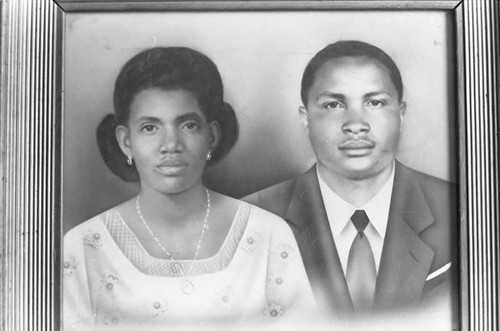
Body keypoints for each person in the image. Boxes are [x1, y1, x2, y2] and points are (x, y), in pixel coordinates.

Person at [63, 47, 315, 329]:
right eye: (150, 128)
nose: (171, 145)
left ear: (212, 136)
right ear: (125, 142)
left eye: (188, 125)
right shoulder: (84, 245)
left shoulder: (267, 234)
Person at [245, 40, 457, 319]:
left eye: (375, 102)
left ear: (401, 114)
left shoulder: (463, 212)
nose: (356, 124)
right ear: (306, 119)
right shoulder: (251, 219)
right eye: (334, 104)